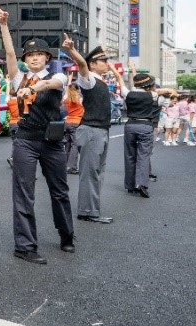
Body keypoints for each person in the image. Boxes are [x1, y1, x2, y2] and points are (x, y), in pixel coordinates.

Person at [0, 6, 74, 265]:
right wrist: (4, 25)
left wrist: (38, 85)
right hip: (26, 140)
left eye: (39, 54)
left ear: (47, 58)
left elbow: (54, 85)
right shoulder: (18, 78)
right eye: (30, 55)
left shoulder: (58, 75)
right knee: (23, 192)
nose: (34, 58)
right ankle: (25, 246)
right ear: (25, 59)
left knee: (59, 190)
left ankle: (66, 235)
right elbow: (9, 52)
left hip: (52, 142)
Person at [60, 37, 124, 226]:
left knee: (97, 173)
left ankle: (91, 209)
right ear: (93, 64)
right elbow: (81, 63)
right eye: (103, 61)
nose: (107, 63)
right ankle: (87, 211)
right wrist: (72, 50)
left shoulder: (101, 82)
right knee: (90, 173)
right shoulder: (87, 80)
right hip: (91, 131)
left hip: (101, 131)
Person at [122, 66, 172, 198]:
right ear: (149, 85)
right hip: (146, 125)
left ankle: (130, 185)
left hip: (130, 125)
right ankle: (142, 184)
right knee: (144, 155)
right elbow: (167, 96)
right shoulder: (154, 95)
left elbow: (122, 84)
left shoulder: (127, 93)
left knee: (130, 156)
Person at [62, 76, 85, 174]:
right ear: (78, 89)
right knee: (75, 145)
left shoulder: (66, 99)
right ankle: (72, 167)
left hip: (67, 122)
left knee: (67, 145)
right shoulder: (79, 99)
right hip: (76, 122)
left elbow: (67, 91)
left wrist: (69, 80)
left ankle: (64, 165)